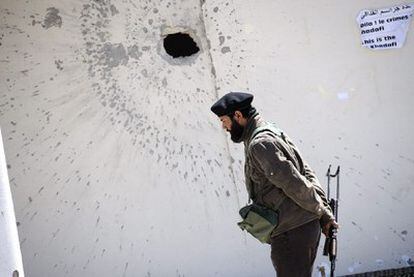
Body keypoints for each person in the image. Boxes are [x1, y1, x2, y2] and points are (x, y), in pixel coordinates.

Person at [210, 92, 338, 277]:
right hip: (300, 226)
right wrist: (323, 210)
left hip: (292, 232)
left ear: (237, 115)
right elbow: (305, 171)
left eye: (224, 120)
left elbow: (295, 183)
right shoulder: (269, 130)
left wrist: (324, 213)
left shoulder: (260, 144)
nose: (224, 126)